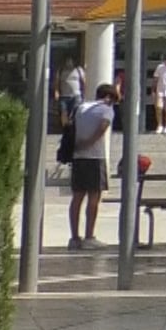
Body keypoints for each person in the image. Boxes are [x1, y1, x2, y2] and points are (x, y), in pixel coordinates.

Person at [68, 84, 118, 250]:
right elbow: (103, 127)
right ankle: (89, 236)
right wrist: (89, 142)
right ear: (110, 97)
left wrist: (79, 144)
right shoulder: (107, 109)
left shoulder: (81, 107)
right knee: (94, 198)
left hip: (78, 156)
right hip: (95, 157)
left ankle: (74, 237)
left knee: (77, 197)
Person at [57, 57, 86, 128]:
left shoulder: (78, 70)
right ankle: (65, 128)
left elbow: (84, 82)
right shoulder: (61, 70)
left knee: (75, 112)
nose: (69, 63)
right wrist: (56, 91)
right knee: (63, 112)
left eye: (70, 61)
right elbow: (57, 82)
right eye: (67, 61)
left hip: (76, 95)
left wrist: (84, 93)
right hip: (64, 95)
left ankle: (73, 128)